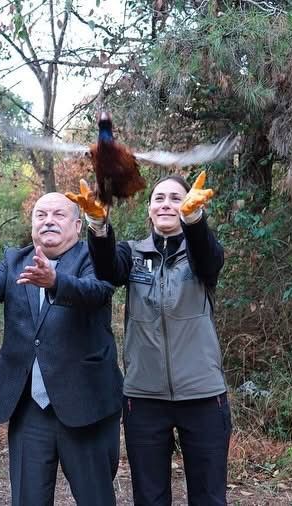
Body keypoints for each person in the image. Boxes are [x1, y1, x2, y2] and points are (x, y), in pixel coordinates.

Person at [73, 172, 230, 505]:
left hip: (203, 395)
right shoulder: (132, 254)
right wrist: (98, 225)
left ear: (190, 205)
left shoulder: (200, 252)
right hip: (143, 398)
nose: (166, 204)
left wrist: (194, 221)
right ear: (149, 209)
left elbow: (209, 261)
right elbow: (107, 270)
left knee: (209, 498)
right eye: (159, 198)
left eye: (176, 198)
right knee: (149, 498)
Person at [0, 192, 124, 506]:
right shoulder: (15, 260)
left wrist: (55, 282)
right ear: (33, 223)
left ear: (77, 225)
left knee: (96, 498)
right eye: (41, 215)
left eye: (58, 214)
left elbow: (96, 292)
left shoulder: (96, 257)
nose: (48, 221)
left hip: (85, 404)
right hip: (29, 408)